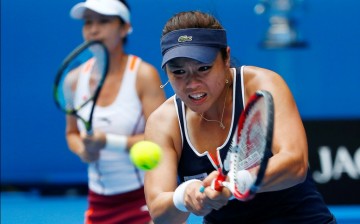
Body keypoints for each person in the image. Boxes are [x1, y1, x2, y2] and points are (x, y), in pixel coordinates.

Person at [144, 11, 336, 224]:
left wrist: (232, 183)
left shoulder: (262, 85)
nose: (192, 83)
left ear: (226, 58)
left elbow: (295, 164)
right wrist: (185, 197)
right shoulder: (163, 121)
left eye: (204, 68)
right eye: (178, 72)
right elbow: (159, 211)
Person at [65, 0, 166, 223]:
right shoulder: (72, 81)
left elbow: (164, 139)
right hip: (98, 204)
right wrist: (83, 150)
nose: (93, 29)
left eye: (103, 21)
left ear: (124, 28)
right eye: (88, 22)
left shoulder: (143, 76)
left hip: (146, 198)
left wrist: (107, 142)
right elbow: (71, 133)